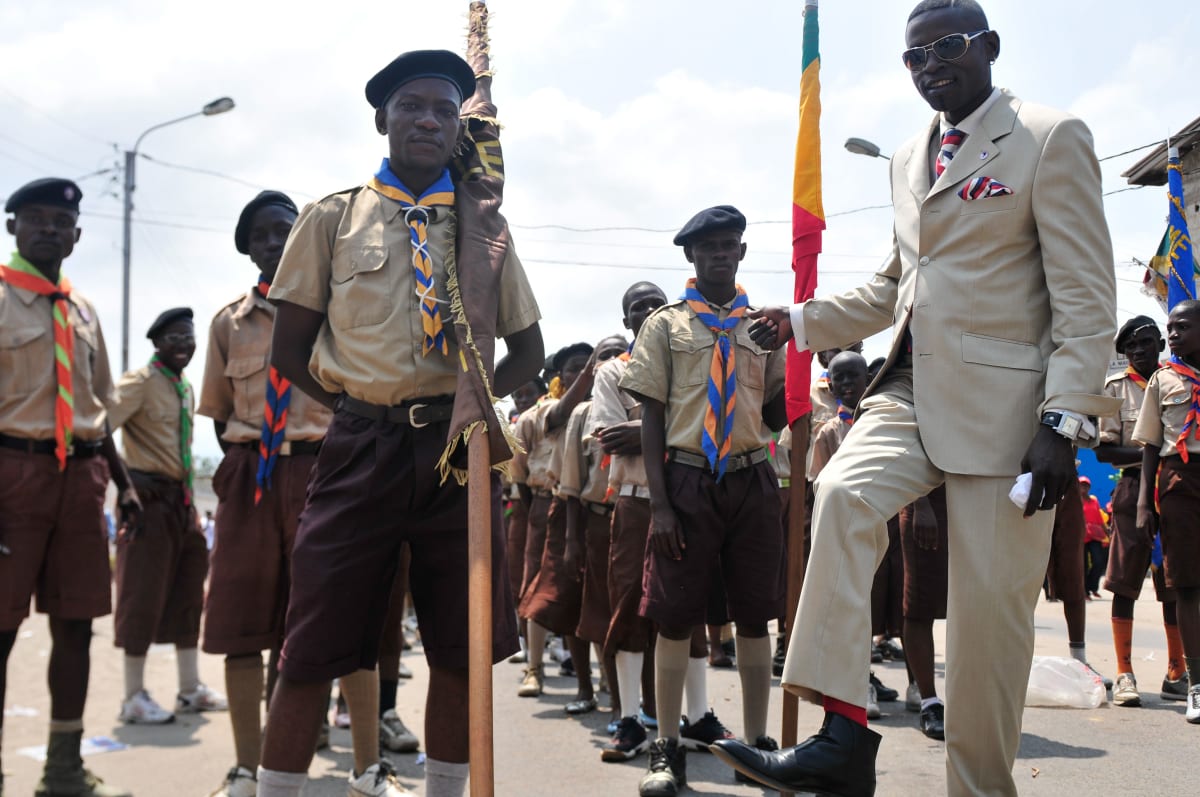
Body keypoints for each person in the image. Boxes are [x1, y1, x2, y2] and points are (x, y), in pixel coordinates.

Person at [711, 2, 1118, 794]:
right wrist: (797, 320)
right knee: (839, 491)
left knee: (983, 641)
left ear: (990, 48)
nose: (931, 64)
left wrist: (1062, 423)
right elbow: (898, 286)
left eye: (949, 47)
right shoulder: (906, 157)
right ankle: (845, 735)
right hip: (906, 388)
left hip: (1011, 422)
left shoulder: (1047, 136)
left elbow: (1086, 298)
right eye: (914, 56)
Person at [257, 49, 543, 797]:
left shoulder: (483, 228)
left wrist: (471, 408)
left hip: (459, 452)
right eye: (412, 106)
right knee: (312, 641)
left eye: (445, 110)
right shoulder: (333, 216)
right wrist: (361, 404)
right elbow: (289, 350)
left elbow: (530, 353)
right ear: (383, 117)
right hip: (363, 444)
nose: (428, 120)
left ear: (459, 128)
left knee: (459, 641)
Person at [621, 205, 787, 797]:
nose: (720, 253)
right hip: (688, 480)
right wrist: (662, 506)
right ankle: (666, 748)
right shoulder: (665, 326)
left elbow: (772, 417)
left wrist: (789, 359)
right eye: (708, 246)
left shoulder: (762, 327)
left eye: (730, 244)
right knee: (675, 615)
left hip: (750, 477)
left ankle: (759, 745)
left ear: (742, 252)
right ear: (691, 256)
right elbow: (652, 417)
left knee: (754, 613)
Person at [0, 177, 138, 797]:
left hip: (82, 479)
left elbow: (99, 408)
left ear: (78, 236)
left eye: (61, 222)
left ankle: (62, 765)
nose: (50, 230)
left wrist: (125, 485)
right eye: (37, 219)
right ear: (13, 229)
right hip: (12, 476)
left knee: (77, 625)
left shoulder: (83, 311)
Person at [198, 191, 336, 797]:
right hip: (251, 475)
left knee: (310, 618)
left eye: (285, 231)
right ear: (247, 246)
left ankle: (296, 752)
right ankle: (245, 763)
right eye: (261, 235)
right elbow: (218, 411)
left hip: (318, 471)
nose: (273, 243)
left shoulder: (334, 312)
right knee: (240, 621)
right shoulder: (228, 322)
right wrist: (242, 466)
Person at [108, 307, 226, 726]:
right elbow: (101, 428)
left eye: (188, 337)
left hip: (181, 503)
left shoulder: (183, 387)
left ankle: (190, 687)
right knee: (140, 593)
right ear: (157, 342)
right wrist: (124, 490)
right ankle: (133, 696)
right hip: (147, 499)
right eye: (174, 337)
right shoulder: (139, 383)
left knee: (188, 592)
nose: (184, 345)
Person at [592, 281, 669, 762]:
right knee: (627, 606)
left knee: (682, 609)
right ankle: (628, 717)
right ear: (626, 322)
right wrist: (666, 428)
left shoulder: (689, 361)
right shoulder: (612, 372)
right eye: (637, 306)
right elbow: (608, 437)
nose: (647, 310)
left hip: (684, 496)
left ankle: (677, 717)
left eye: (656, 302)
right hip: (634, 501)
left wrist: (640, 428)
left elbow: (704, 426)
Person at [1097, 315, 1187, 707]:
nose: (1139, 351)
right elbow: (1104, 450)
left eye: (1147, 343)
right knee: (1124, 580)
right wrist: (1154, 450)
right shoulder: (1115, 390)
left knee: (1174, 581)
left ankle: (1176, 671)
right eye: (1131, 347)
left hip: (1173, 488)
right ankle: (1124, 672)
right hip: (1133, 488)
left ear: (1160, 345)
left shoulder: (1180, 382)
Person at [1133, 299, 1200, 724]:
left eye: (1182, 327)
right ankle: (1196, 683)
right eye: (1169, 328)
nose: (1172, 335)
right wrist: (1143, 502)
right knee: (1188, 585)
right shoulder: (1163, 379)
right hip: (1180, 483)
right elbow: (1150, 446)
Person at [514, 342, 594, 697]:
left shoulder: (603, 410)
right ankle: (534, 669)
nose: (584, 374)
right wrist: (539, 510)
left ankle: (597, 676)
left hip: (587, 507)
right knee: (538, 586)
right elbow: (520, 476)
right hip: (546, 504)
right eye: (574, 368)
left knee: (589, 588)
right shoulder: (541, 413)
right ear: (558, 377)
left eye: (587, 367)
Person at [557, 334, 629, 714]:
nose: (612, 361)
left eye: (620, 354)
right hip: (596, 523)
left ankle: (630, 701)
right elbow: (570, 484)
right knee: (589, 610)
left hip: (636, 516)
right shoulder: (581, 415)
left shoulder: (641, 401)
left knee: (628, 613)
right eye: (605, 356)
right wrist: (572, 540)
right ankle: (589, 689)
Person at [1080, 476, 1109, 598]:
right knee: (1084, 565)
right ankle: (1085, 591)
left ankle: (1092, 587)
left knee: (1098, 562)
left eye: (1086, 485)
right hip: (1081, 536)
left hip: (1094, 536)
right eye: (1081, 485)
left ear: (1089, 487)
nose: (1083, 488)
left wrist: (1107, 533)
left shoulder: (1094, 501)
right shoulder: (1075, 501)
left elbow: (1100, 519)